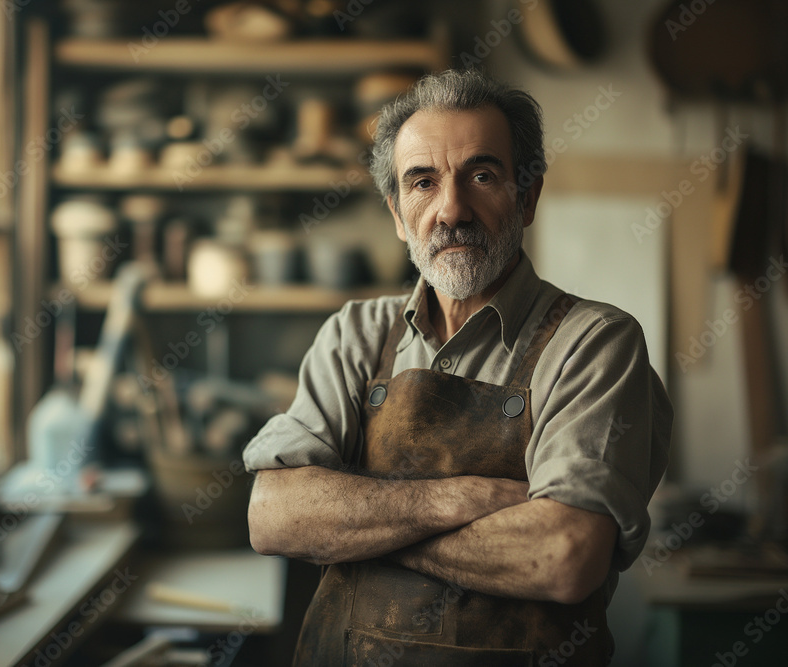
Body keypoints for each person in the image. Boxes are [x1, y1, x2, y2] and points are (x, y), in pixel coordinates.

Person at [243, 69, 672, 666]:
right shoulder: (355, 335)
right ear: (397, 214)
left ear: (526, 197)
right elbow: (273, 517)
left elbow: (564, 555)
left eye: (482, 175)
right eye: (423, 182)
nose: (452, 210)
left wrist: (354, 532)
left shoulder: (594, 343)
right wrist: (460, 500)